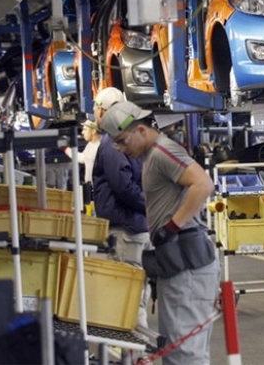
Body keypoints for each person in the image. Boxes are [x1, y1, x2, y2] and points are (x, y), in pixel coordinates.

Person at [99, 100, 219, 365]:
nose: (120, 149)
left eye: (122, 141)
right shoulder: (152, 156)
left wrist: (172, 226)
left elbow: (203, 184)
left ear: (141, 130)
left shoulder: (163, 151)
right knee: (179, 348)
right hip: (176, 262)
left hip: (185, 261)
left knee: (184, 353)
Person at [92, 87, 151, 328]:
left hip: (125, 230)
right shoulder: (131, 136)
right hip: (135, 227)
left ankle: (136, 357)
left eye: (96, 109)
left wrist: (148, 207)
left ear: (104, 111)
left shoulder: (110, 142)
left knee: (128, 296)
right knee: (136, 294)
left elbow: (123, 186)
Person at [64, 119, 101, 184]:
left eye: (85, 129)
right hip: (91, 187)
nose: (82, 132)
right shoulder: (90, 145)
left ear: (93, 131)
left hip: (98, 188)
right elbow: (82, 158)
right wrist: (66, 149)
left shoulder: (101, 147)